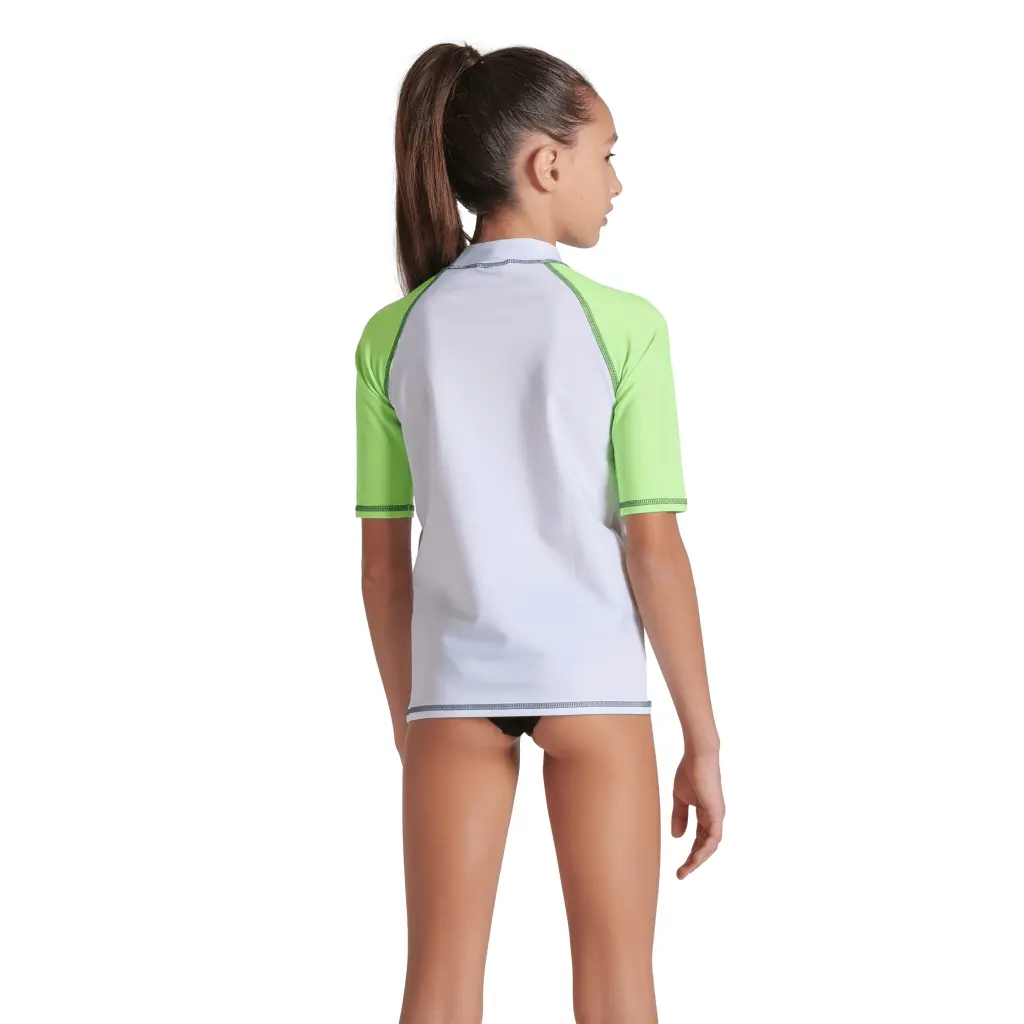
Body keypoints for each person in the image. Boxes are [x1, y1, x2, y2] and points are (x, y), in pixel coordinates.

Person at [355, 41, 724, 1024]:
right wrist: (701, 740)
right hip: (592, 684)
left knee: (436, 992)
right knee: (618, 990)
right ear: (546, 164)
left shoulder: (394, 334)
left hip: (451, 691)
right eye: (608, 154)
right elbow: (654, 551)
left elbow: (383, 573)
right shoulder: (625, 326)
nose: (617, 183)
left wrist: (411, 721)